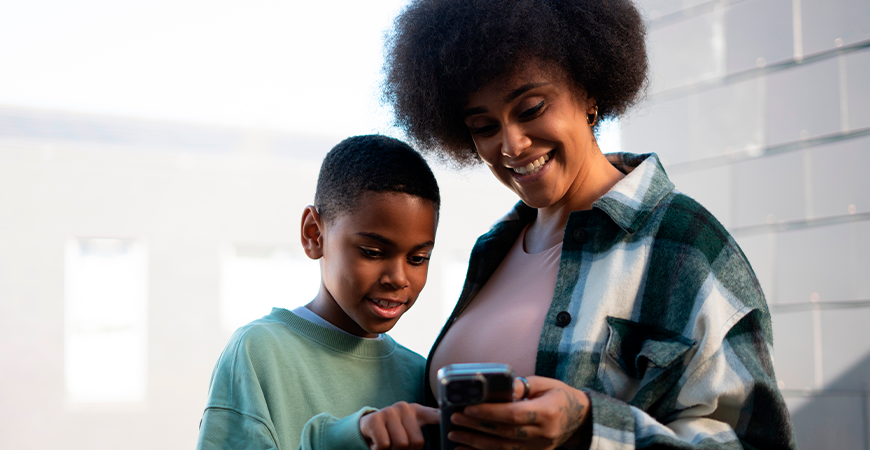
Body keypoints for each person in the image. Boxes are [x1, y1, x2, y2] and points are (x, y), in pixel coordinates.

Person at [383, 1, 796, 449]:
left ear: (588, 92)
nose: (512, 145)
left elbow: (755, 443)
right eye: (484, 127)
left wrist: (587, 427)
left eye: (531, 108)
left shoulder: (684, 244)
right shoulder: (494, 249)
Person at [196, 135, 441, 450]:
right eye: (372, 251)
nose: (398, 278)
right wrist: (347, 439)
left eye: (418, 259)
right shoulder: (259, 352)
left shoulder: (421, 375)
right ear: (314, 234)